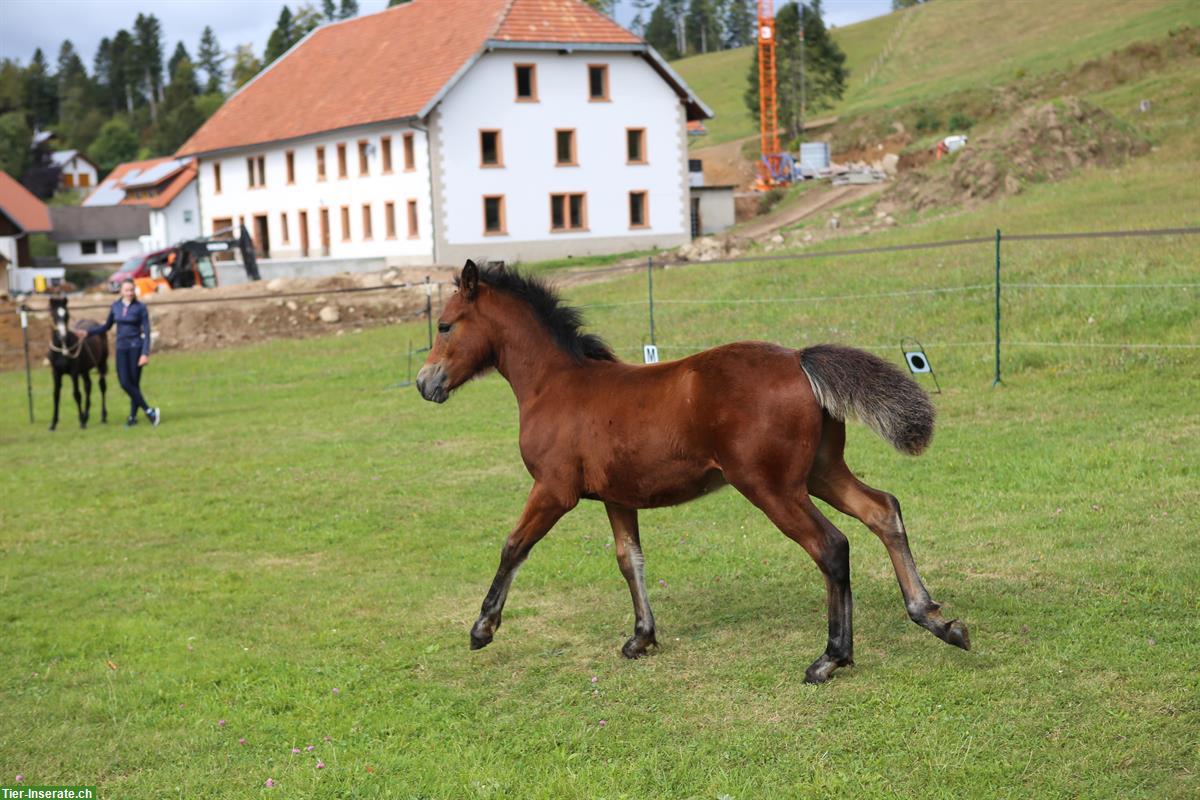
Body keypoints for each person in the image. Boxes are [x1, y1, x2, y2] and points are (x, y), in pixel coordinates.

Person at [81, 279, 161, 428]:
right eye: (126, 290)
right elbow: (106, 326)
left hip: (136, 348)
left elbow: (147, 331)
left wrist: (145, 353)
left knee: (134, 384)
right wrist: (88, 333)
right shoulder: (116, 306)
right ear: (121, 291)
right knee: (125, 383)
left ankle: (132, 418)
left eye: (131, 290)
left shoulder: (140, 308)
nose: (129, 293)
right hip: (121, 349)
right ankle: (150, 411)